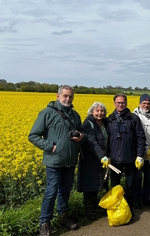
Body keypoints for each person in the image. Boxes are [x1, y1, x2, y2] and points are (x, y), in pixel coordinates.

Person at [28, 85, 85, 236]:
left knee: (65, 190)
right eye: (65, 96)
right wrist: (49, 146)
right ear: (58, 96)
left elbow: (82, 132)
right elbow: (33, 135)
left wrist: (81, 137)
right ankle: (44, 223)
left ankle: (63, 216)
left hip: (70, 160)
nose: (68, 99)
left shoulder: (74, 115)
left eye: (70, 96)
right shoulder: (47, 113)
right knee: (51, 191)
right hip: (54, 160)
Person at [107, 93, 146, 221]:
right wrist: (106, 156)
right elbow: (106, 140)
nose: (120, 105)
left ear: (126, 103)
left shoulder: (134, 118)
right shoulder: (110, 119)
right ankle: (115, 209)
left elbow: (141, 137)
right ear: (114, 104)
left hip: (130, 158)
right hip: (114, 160)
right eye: (118, 102)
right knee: (115, 185)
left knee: (130, 185)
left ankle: (128, 209)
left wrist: (140, 155)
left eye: (122, 102)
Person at [77, 102, 109, 220]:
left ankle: (95, 206)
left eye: (102, 111)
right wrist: (102, 156)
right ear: (92, 112)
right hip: (90, 158)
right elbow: (92, 142)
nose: (100, 113)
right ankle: (89, 210)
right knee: (89, 184)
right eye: (97, 111)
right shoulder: (88, 123)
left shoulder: (104, 123)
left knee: (95, 183)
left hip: (100, 158)